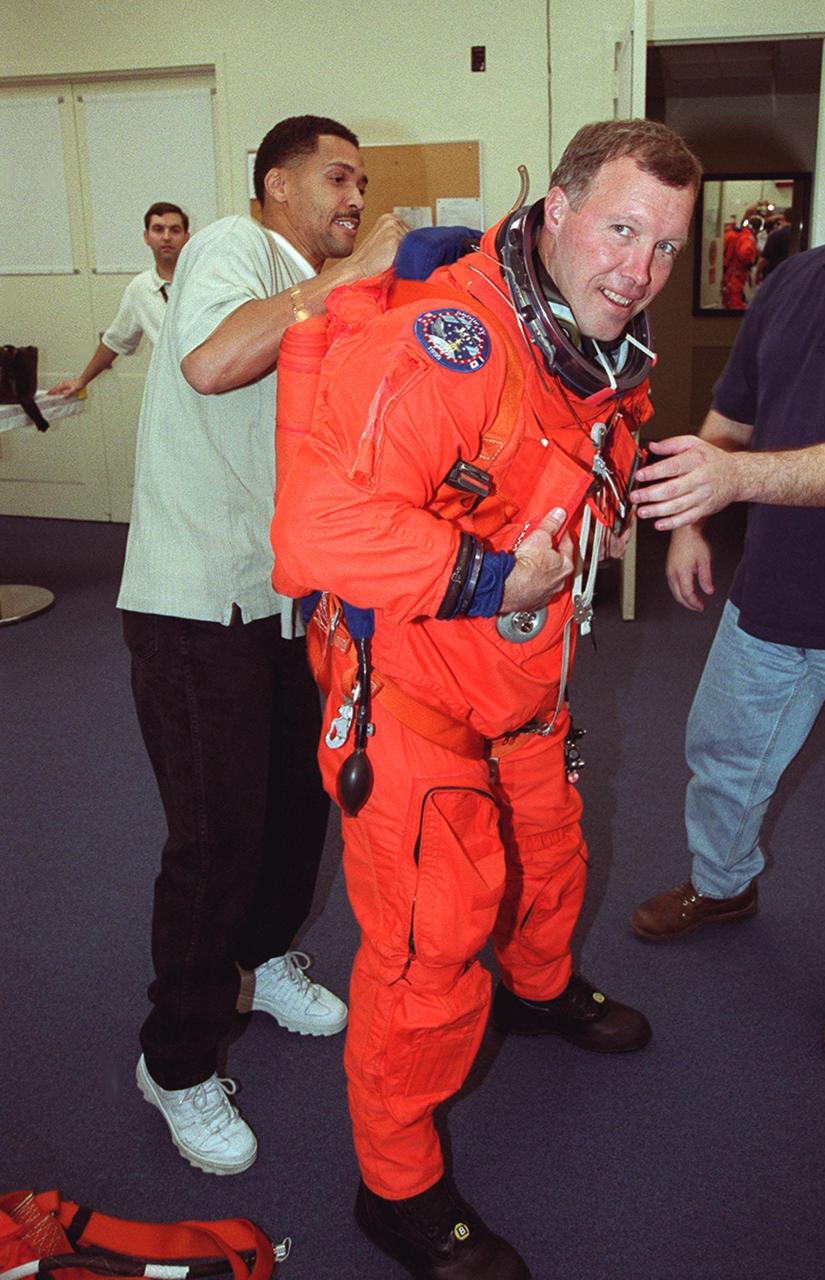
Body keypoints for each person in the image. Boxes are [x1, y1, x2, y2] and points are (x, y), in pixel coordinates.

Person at [271, 118, 700, 1278]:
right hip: (419, 706)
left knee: (551, 859)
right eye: (620, 228)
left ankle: (541, 988)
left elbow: (589, 453)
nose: (640, 269)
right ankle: (395, 1187)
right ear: (555, 210)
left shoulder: (596, 344)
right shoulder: (446, 345)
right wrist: (489, 577)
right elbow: (313, 532)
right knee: (428, 950)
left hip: (524, 690)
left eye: (665, 245)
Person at [629, 81, 825, 1066]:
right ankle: (722, 882)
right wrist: (694, 519)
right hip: (768, 596)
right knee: (720, 753)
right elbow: (737, 409)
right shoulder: (792, 280)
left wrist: (729, 477)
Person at [119, 115, 407, 1175]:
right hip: (195, 604)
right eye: (338, 176)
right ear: (275, 182)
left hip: (283, 602)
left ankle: (261, 960)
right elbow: (207, 362)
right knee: (217, 839)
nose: (352, 195)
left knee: (299, 811)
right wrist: (354, 273)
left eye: (361, 181)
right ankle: (178, 1060)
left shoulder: (312, 282)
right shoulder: (232, 251)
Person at [49, 203, 190, 397]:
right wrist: (82, 380)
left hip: (214, 386)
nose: (166, 237)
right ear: (146, 237)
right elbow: (115, 341)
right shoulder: (140, 288)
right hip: (172, 391)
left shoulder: (205, 280)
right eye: (158, 229)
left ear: (186, 238)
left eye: (174, 230)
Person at [755, 206, 792, 283]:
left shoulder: (775, 235)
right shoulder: (801, 237)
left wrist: (757, 274)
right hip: (792, 276)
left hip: (774, 276)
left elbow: (764, 259)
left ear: (784, 218)